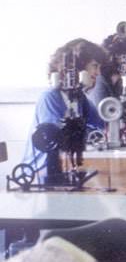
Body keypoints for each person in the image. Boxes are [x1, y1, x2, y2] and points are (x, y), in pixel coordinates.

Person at [21, 39, 108, 181]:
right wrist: (84, 131)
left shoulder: (79, 96)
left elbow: (101, 123)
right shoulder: (50, 97)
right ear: (79, 67)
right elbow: (56, 140)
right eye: (95, 66)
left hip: (65, 169)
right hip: (38, 173)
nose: (98, 73)